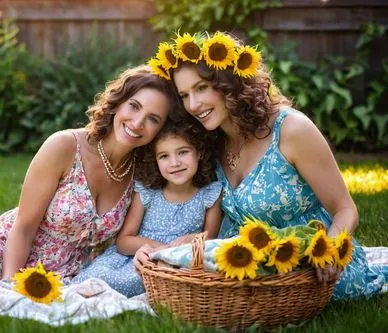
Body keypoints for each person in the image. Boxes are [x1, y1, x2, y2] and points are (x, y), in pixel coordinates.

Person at [143, 31, 387, 301]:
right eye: (184, 95)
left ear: (228, 82)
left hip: (309, 263)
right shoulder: (211, 140)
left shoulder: (291, 130)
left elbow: (345, 208)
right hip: (247, 264)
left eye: (201, 88)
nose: (193, 104)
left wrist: (328, 251)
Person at [0, 65, 176, 289]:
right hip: (9, 255)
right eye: (134, 106)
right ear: (118, 102)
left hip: (70, 275)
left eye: (153, 119)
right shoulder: (64, 147)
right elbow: (23, 227)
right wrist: (10, 284)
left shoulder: (141, 172)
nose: (138, 123)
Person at [71, 118, 222, 297]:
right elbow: (124, 241)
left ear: (199, 153)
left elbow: (211, 238)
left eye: (183, 152)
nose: (174, 163)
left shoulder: (209, 194)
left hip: (181, 260)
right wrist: (162, 249)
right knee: (101, 277)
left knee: (162, 282)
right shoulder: (148, 192)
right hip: (138, 256)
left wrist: (181, 249)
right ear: (156, 161)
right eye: (164, 156)